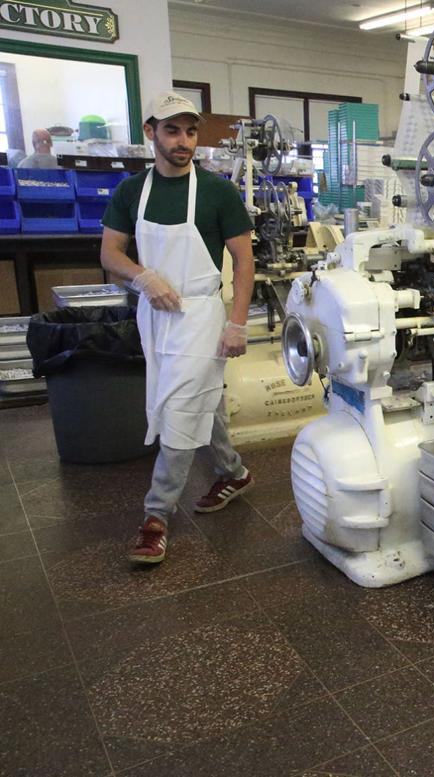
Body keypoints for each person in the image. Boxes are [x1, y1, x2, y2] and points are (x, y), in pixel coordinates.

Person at [99, 91, 257, 565]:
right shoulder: (132, 191)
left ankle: (156, 516)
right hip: (155, 315)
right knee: (195, 398)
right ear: (151, 132)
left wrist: (237, 324)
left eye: (190, 131)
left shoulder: (217, 191)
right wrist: (144, 277)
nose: (184, 141)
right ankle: (233, 471)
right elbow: (111, 254)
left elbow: (245, 261)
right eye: (172, 130)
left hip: (203, 315)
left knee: (180, 409)